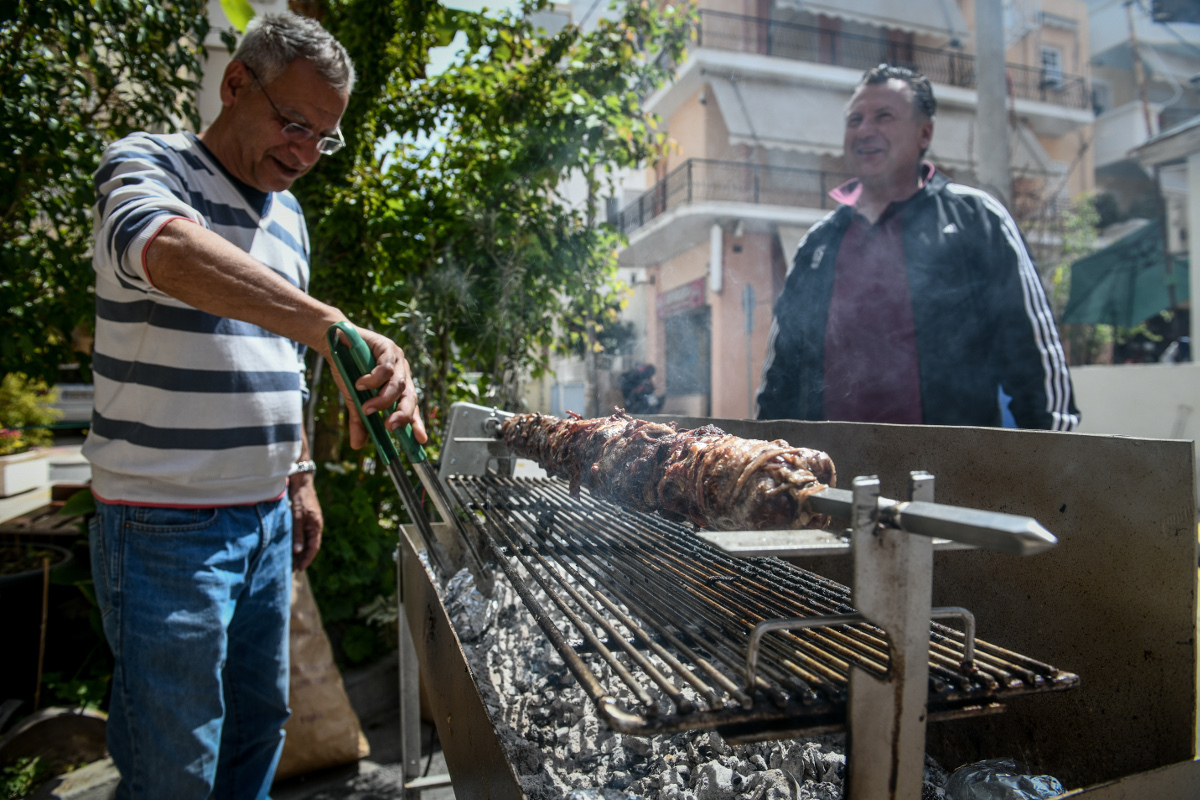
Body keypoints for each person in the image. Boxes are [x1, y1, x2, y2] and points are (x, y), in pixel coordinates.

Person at [84, 13, 426, 799]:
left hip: (267, 521)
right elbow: (164, 250)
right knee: (176, 765)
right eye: (295, 124)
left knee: (259, 729)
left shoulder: (290, 215)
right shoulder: (148, 162)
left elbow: (282, 356)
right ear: (236, 83)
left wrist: (300, 473)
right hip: (164, 526)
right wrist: (333, 324)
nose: (306, 154)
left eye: (324, 138)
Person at [756, 64, 1079, 430]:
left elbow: (1033, 359)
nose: (864, 130)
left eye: (884, 117)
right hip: (832, 478)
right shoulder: (818, 244)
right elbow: (780, 374)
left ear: (924, 134)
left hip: (951, 475)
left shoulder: (977, 220)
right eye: (855, 119)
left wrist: (1050, 467)